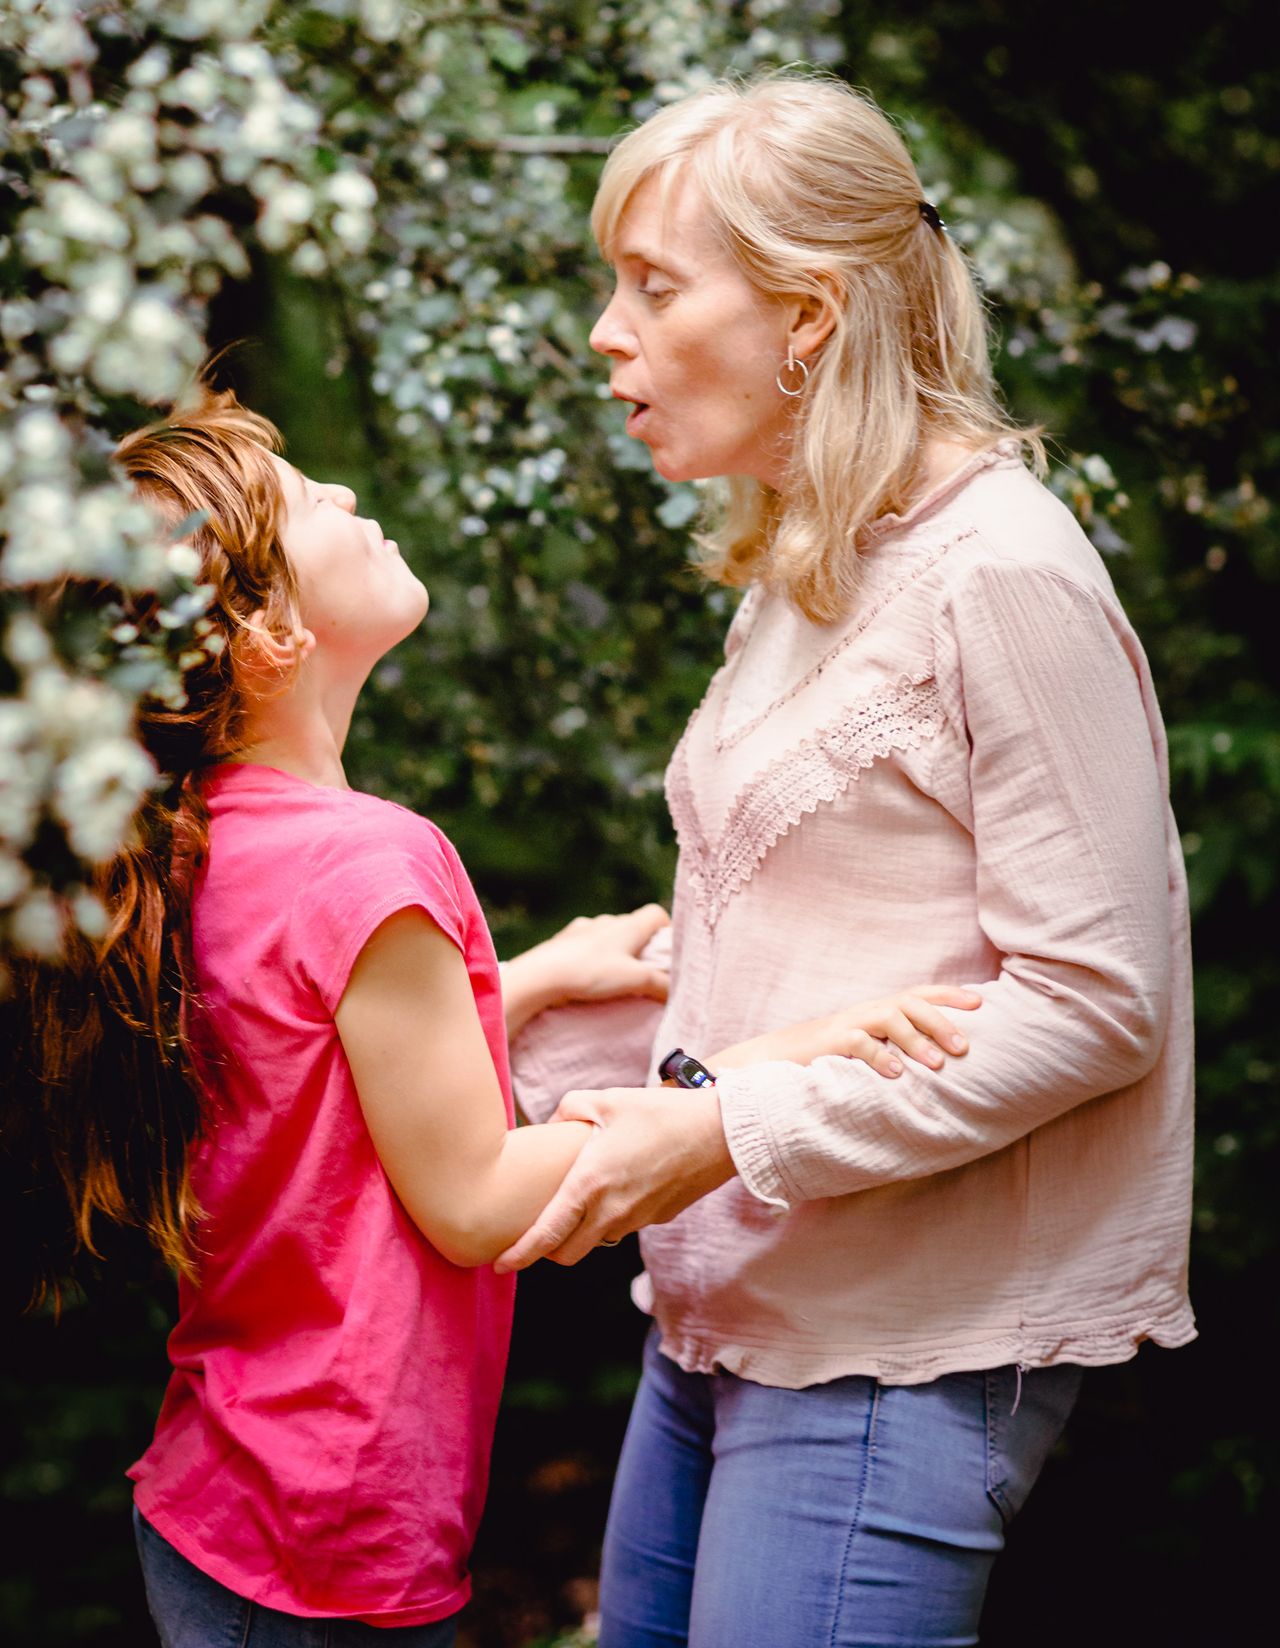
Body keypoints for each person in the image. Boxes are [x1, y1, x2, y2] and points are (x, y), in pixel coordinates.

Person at [3, 382, 980, 1646]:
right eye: (309, 500)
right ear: (268, 638)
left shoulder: (210, 846)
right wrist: (750, 1070)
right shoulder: (369, 861)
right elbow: (476, 1204)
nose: (345, 494)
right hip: (323, 1545)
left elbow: (302, 1069)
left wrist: (521, 978)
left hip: (226, 1503)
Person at [498, 72, 1196, 1648]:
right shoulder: (806, 565)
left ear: (807, 315)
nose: (607, 331)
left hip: (904, 1349)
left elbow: (1095, 1005)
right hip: (726, 1317)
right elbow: (802, 952)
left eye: (653, 286)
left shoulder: (1005, 575)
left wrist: (723, 1131)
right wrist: (509, 1049)